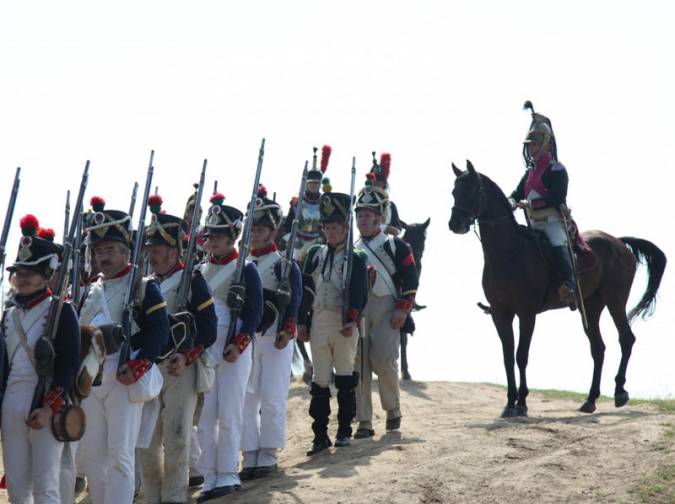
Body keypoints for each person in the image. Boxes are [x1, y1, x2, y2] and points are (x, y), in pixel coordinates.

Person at [78, 196, 170, 503]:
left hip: (124, 372)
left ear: (124, 251)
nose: (103, 257)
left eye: (109, 250)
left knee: (120, 454)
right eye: (98, 251)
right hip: (91, 377)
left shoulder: (144, 285)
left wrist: (141, 363)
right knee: (92, 455)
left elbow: (159, 331)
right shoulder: (89, 291)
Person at [139, 194, 218, 504]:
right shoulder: (145, 285)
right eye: (149, 249)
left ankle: (174, 497)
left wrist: (187, 356)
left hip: (179, 367)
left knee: (176, 436)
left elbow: (209, 328)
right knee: (145, 440)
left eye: (156, 250)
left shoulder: (193, 280)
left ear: (173, 250)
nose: (151, 255)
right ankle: (152, 495)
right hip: (149, 370)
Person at [1, 214, 80, 503]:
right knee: (18, 486)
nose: (22, 278)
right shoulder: (9, 314)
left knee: (47, 484)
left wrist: (50, 407)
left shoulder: (61, 310)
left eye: (30, 272)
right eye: (19, 272)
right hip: (11, 400)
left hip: (46, 401)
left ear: (48, 273)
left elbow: (69, 363)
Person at [195, 192, 262, 502]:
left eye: (221, 235)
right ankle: (209, 473)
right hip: (206, 348)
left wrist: (239, 343)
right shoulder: (198, 272)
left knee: (231, 411)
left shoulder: (245, 269)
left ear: (234, 235)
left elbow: (254, 312)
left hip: (233, 346)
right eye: (211, 234)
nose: (214, 240)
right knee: (206, 415)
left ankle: (228, 472)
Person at [297, 190, 368, 455]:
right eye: (326, 227)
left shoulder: (356, 257)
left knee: (345, 378)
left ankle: (344, 431)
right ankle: (320, 435)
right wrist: (302, 322)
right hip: (319, 323)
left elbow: (360, 292)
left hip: (344, 324)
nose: (329, 232)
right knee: (320, 380)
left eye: (335, 227)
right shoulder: (314, 254)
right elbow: (305, 292)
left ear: (345, 228)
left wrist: (353, 319)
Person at [240, 185, 302, 480]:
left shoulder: (284, 264)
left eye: (262, 229)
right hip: (246, 339)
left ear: (274, 231)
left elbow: (296, 300)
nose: (256, 234)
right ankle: (249, 451)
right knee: (246, 398)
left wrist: (288, 330)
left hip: (275, 336)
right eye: (253, 228)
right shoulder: (242, 264)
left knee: (272, 396)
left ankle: (268, 452)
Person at [353, 181, 419, 438]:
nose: (363, 219)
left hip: (386, 308)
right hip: (359, 311)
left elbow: (411, 279)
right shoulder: (351, 248)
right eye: (359, 215)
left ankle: (393, 409)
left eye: (368, 215)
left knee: (383, 360)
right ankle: (364, 421)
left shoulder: (396, 246)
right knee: (359, 364)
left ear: (380, 217)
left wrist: (403, 309)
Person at [509, 102, 576, 306]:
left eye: (534, 144)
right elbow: (516, 193)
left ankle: (570, 283)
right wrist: (510, 202)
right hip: (533, 224)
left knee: (557, 242)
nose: (531, 148)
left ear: (546, 143)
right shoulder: (529, 173)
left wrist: (530, 205)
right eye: (529, 145)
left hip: (553, 221)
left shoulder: (557, 170)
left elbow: (557, 197)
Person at [368, 152, 403, 236]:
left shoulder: (390, 205)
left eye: (379, 183)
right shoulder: (363, 202)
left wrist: (392, 230)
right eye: (374, 182)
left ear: (383, 185)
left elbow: (398, 228)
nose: (376, 185)